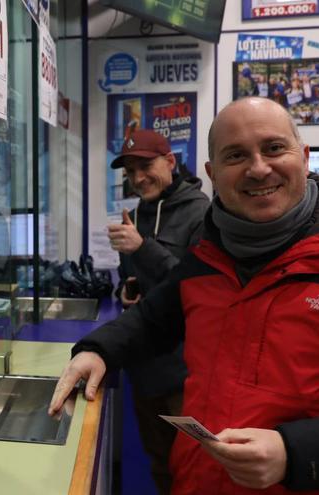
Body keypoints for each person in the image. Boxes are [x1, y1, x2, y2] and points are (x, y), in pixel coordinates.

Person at [50, 97, 319, 494]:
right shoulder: (209, 253)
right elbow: (154, 318)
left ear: (304, 156)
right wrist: (99, 350)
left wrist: (295, 453)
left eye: (274, 148)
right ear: (214, 173)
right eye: (236, 156)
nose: (258, 168)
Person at [107, 128, 209, 494]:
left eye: (145, 166)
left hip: (184, 370)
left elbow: (197, 285)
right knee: (160, 464)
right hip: (145, 364)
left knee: (195, 465)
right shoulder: (140, 212)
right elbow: (135, 275)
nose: (138, 178)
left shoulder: (201, 212)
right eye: (130, 171)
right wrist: (127, 290)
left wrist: (142, 247)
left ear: (170, 162)